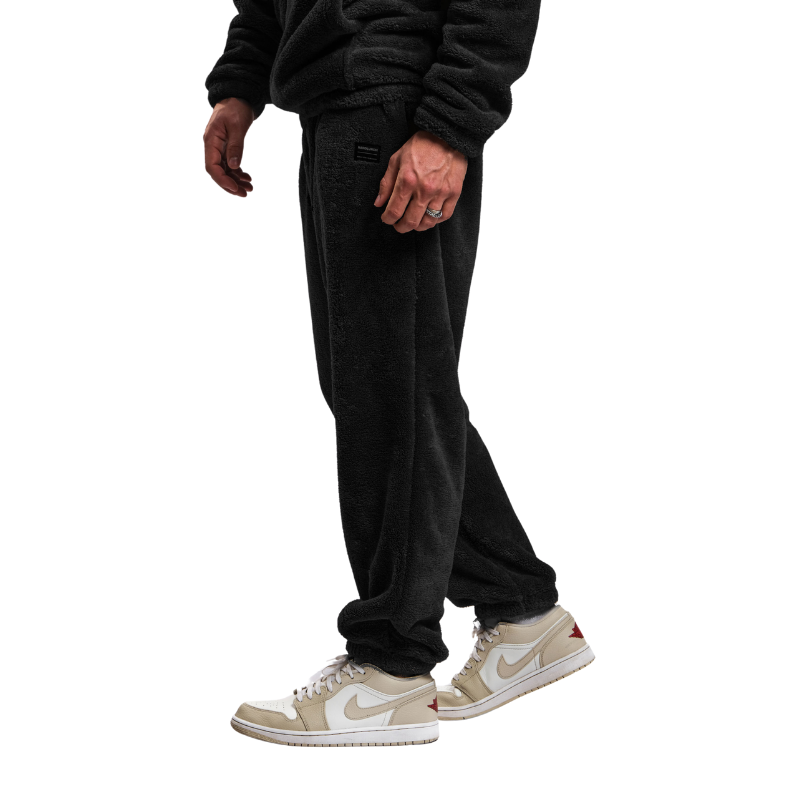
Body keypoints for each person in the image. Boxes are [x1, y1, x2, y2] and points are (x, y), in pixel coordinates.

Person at [204, 0, 593, 747]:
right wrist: (241, 86)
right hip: (337, 105)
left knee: (395, 393)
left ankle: (392, 666)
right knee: (385, 386)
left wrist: (449, 125)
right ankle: (519, 610)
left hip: (397, 108)